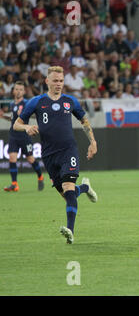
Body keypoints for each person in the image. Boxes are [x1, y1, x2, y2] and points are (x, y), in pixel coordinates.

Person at [13, 66, 98, 245]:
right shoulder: (36, 102)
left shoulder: (70, 101)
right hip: (49, 155)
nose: (59, 84)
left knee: (68, 188)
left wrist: (93, 142)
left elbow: (84, 121)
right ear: (47, 81)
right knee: (68, 194)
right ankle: (84, 188)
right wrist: (27, 127)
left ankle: (70, 232)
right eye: (55, 81)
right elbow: (17, 124)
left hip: (69, 151)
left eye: (61, 81)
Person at [0, 81, 44, 192]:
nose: (18, 91)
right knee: (12, 158)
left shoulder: (27, 103)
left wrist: (24, 114)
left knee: (30, 159)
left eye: (21, 89)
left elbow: (35, 115)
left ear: (24, 92)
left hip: (24, 135)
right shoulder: (12, 104)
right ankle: (14, 184)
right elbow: (12, 118)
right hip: (13, 135)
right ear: (13, 91)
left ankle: (40, 176)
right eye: (17, 89)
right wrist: (4, 116)